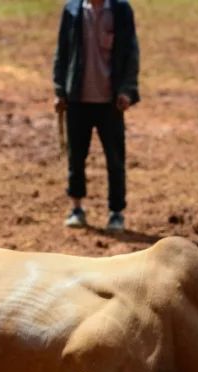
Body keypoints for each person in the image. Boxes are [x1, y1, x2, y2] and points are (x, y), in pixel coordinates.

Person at [53, 0, 140, 231]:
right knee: (76, 157)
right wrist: (60, 90)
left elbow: (131, 52)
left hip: (110, 103)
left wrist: (126, 90)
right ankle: (76, 208)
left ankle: (116, 212)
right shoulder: (72, 10)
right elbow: (62, 52)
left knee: (115, 159)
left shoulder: (121, 11)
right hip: (77, 100)